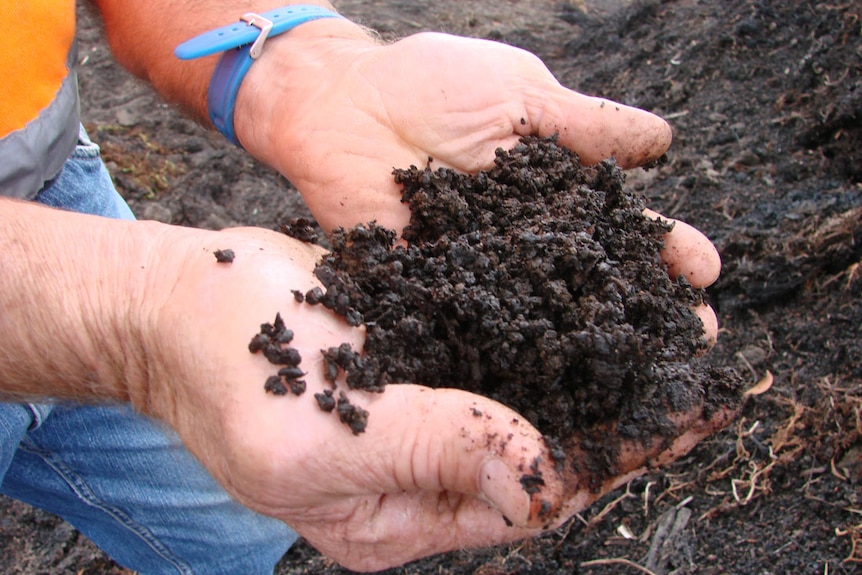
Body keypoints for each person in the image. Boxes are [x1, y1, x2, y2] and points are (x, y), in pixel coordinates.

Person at [0, 1, 731, 573]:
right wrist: (137, 320)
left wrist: (312, 72)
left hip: (51, 174)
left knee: (225, 528)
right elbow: (139, 314)